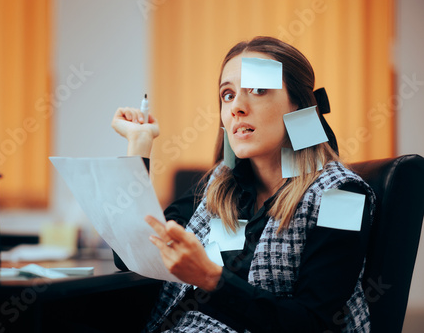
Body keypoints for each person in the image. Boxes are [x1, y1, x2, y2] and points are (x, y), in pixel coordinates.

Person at [111, 36, 375, 333]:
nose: (237, 106)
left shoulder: (344, 196)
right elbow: (130, 254)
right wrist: (139, 142)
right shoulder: (219, 187)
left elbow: (312, 324)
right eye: (227, 95)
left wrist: (212, 279)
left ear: (298, 105)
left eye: (259, 90)